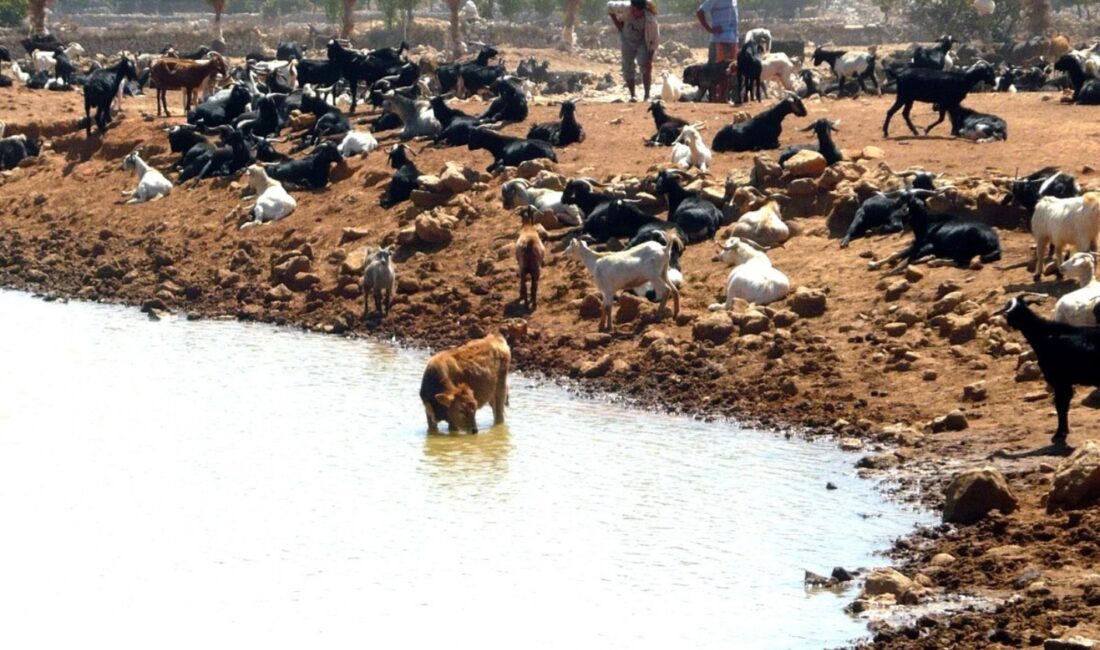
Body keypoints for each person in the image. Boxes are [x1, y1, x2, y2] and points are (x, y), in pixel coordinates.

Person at [610, 0, 659, 102]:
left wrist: (649, 61)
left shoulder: (651, 21)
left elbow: (654, 42)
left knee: (645, 66)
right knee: (628, 67)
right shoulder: (623, 7)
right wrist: (619, 26)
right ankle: (633, 96)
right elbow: (609, 7)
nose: (634, 12)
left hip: (642, 41)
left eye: (637, 11)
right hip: (627, 40)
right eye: (633, 9)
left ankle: (647, 96)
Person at [696, 0, 738, 103]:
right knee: (715, 71)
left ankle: (724, 97)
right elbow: (700, 12)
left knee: (729, 71)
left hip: (732, 40)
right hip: (719, 41)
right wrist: (710, 30)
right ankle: (713, 98)